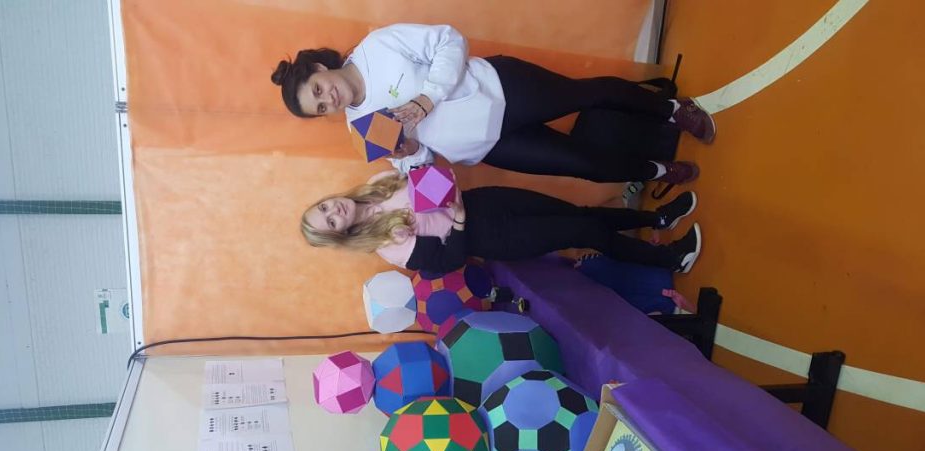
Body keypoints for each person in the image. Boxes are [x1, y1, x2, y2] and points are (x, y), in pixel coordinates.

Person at [272, 23, 715, 184]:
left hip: (503, 88)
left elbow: (449, 40)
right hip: (491, 146)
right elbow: (420, 165)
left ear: (319, 68)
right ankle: (659, 171)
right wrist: (411, 152)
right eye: (320, 109)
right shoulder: (360, 127)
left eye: (317, 91)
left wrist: (427, 98)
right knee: (584, 165)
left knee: (589, 93)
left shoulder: (378, 46)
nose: (328, 100)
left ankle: (674, 111)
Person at [300, 171, 702, 274]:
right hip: (495, 236)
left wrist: (422, 164)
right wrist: (458, 223)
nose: (335, 211)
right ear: (339, 234)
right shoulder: (386, 247)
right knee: (584, 232)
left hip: (487, 200)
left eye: (325, 207)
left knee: (580, 213)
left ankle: (658, 217)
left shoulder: (376, 184)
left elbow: (429, 178)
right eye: (329, 221)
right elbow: (448, 261)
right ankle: (669, 259)